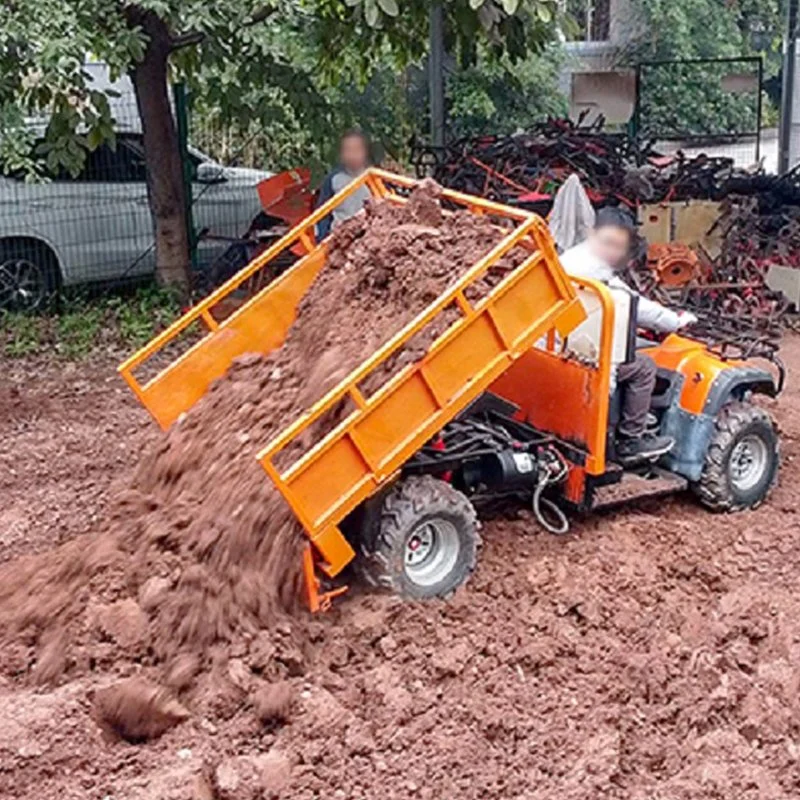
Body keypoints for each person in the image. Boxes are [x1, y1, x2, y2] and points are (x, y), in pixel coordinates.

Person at [560, 207, 697, 463]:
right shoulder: (598, 274)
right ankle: (631, 440)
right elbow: (636, 305)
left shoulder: (570, 257)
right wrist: (676, 321)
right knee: (644, 366)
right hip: (580, 355)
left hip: (554, 344)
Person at [315, 129, 373, 239]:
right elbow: (323, 213)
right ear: (341, 154)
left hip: (368, 238)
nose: (352, 155)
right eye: (348, 150)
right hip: (339, 238)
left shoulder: (375, 179)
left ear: (365, 152)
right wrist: (322, 239)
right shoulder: (333, 179)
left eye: (357, 150)